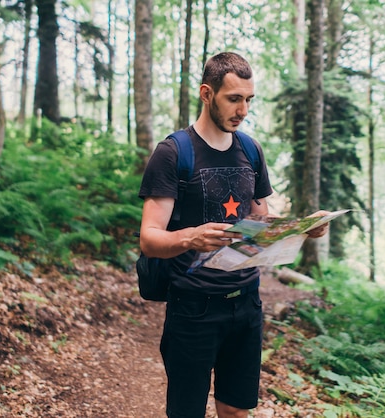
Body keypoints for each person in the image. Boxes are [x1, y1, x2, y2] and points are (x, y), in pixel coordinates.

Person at [138, 51, 328, 418]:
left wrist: (304, 229)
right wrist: (190, 237)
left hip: (247, 303)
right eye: (234, 99)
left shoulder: (251, 150)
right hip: (193, 308)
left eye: (249, 100)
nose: (243, 110)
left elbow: (259, 222)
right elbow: (149, 238)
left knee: (236, 411)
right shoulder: (173, 152)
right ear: (206, 93)